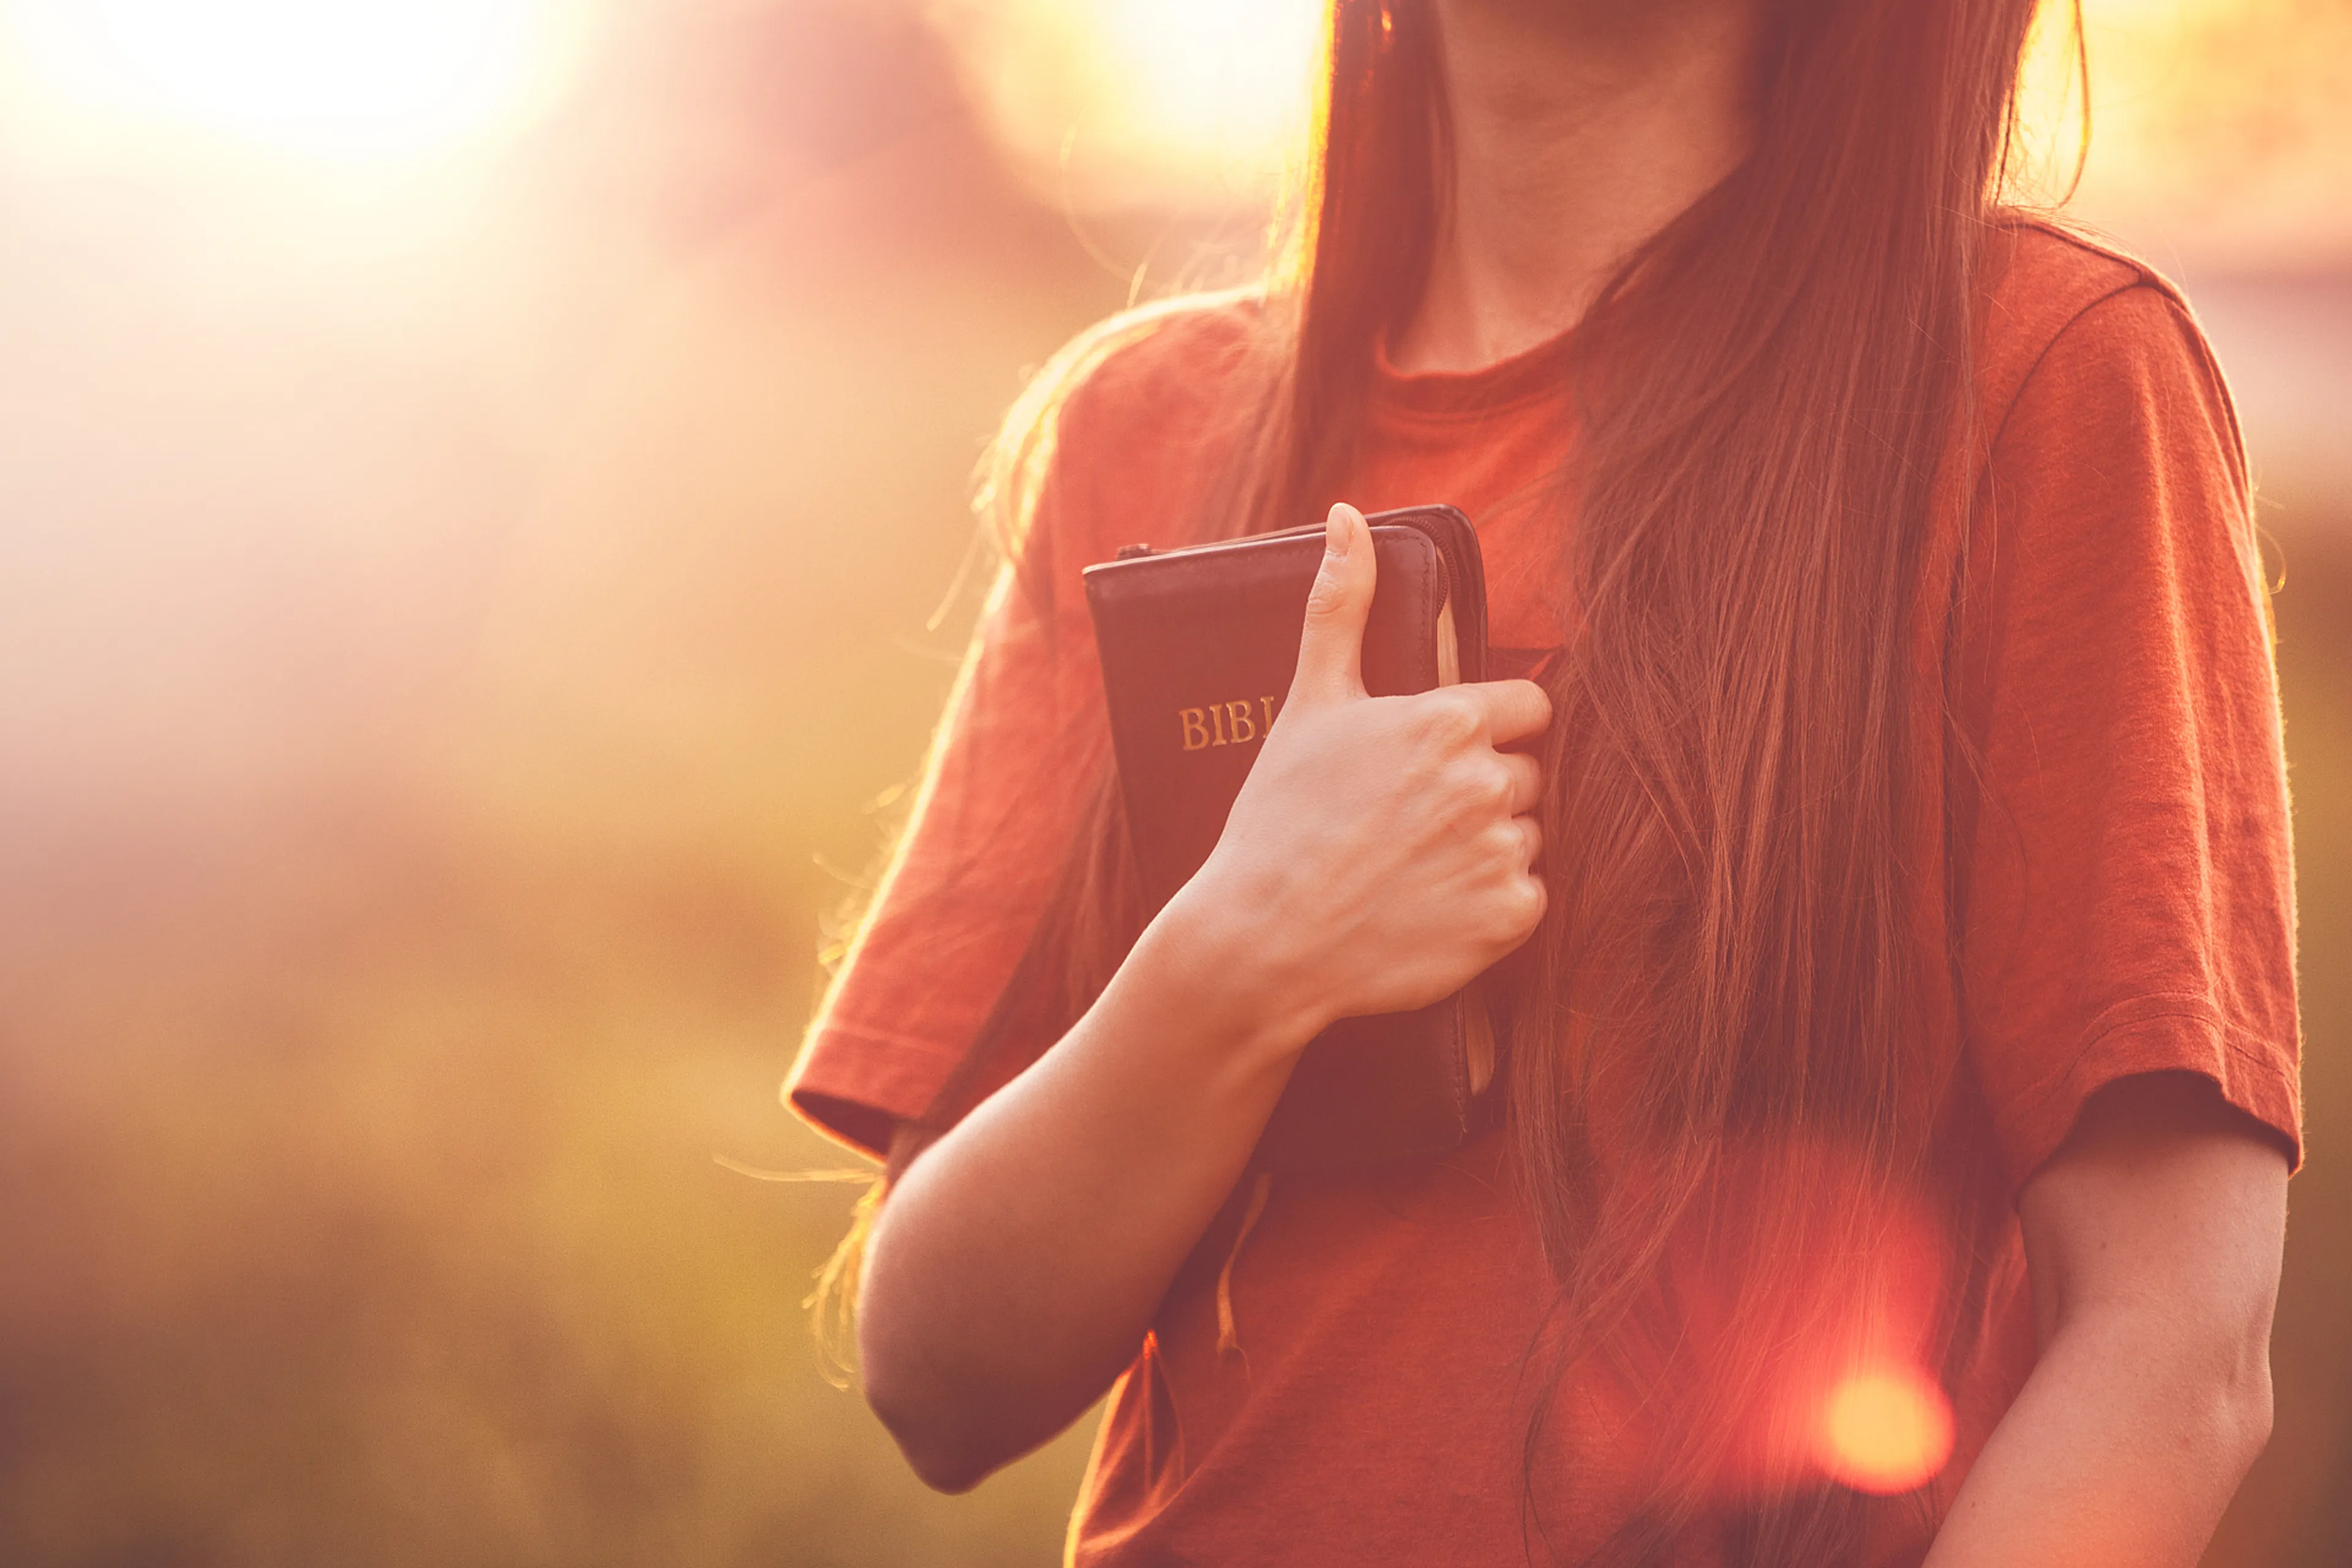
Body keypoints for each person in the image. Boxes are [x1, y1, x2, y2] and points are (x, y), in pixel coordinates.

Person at [784, 0, 2303, 1562]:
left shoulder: (2045, 375)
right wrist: (1237, 955)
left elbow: (2176, 1354)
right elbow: (936, 1374)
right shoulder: (1143, 431)